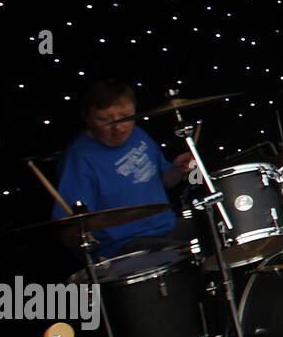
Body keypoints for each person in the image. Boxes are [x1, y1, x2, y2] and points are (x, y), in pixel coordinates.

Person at [53, 79, 197, 261]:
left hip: (165, 226)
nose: (118, 127)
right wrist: (76, 233)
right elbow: (69, 229)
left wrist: (178, 168)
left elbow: (165, 181)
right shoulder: (78, 159)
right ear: (87, 118)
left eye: (125, 116)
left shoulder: (138, 135)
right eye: (105, 120)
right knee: (190, 254)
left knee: (220, 229)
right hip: (122, 245)